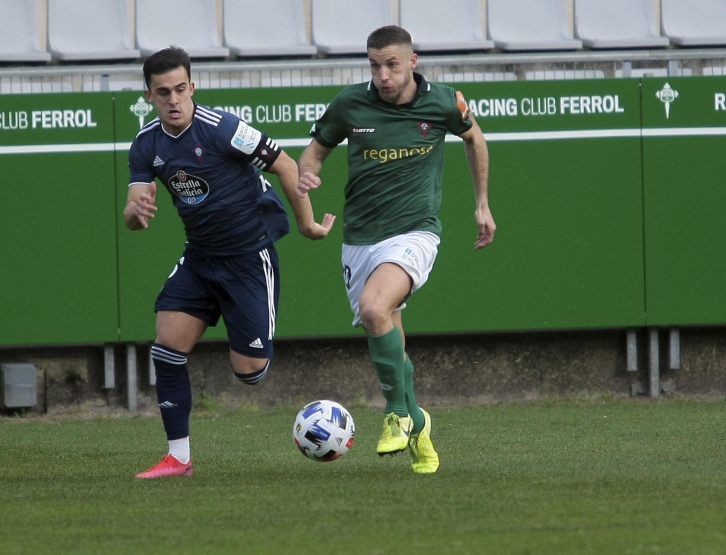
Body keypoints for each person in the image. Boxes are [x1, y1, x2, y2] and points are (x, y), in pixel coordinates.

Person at [126, 46, 335, 479]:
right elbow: (132, 212)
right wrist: (136, 215)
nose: (173, 100)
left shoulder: (222, 128)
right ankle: (178, 458)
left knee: (249, 375)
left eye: (181, 89)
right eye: (163, 92)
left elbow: (286, 164)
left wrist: (309, 224)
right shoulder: (146, 144)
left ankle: (249, 330)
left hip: (247, 259)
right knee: (165, 351)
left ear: (192, 87)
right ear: (149, 95)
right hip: (200, 259)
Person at [296, 25, 496, 474]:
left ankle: (397, 413)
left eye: (391, 64)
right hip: (359, 240)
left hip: (414, 233)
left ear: (412, 62)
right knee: (388, 332)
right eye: (374, 65)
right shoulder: (350, 104)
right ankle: (420, 424)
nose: (382, 75)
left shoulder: (444, 101)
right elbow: (313, 153)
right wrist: (309, 175)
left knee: (373, 308)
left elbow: (474, 138)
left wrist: (482, 204)